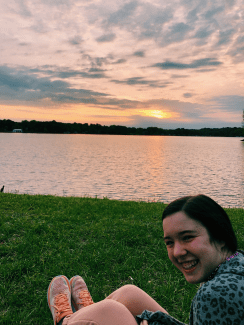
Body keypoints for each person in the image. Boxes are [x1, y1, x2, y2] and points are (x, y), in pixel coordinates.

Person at [47, 194, 244, 325]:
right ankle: (86, 313)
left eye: (188, 238)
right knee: (128, 293)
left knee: (111, 310)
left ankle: (66, 320)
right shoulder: (237, 263)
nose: (177, 252)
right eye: (169, 242)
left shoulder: (214, 295)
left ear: (219, 235)